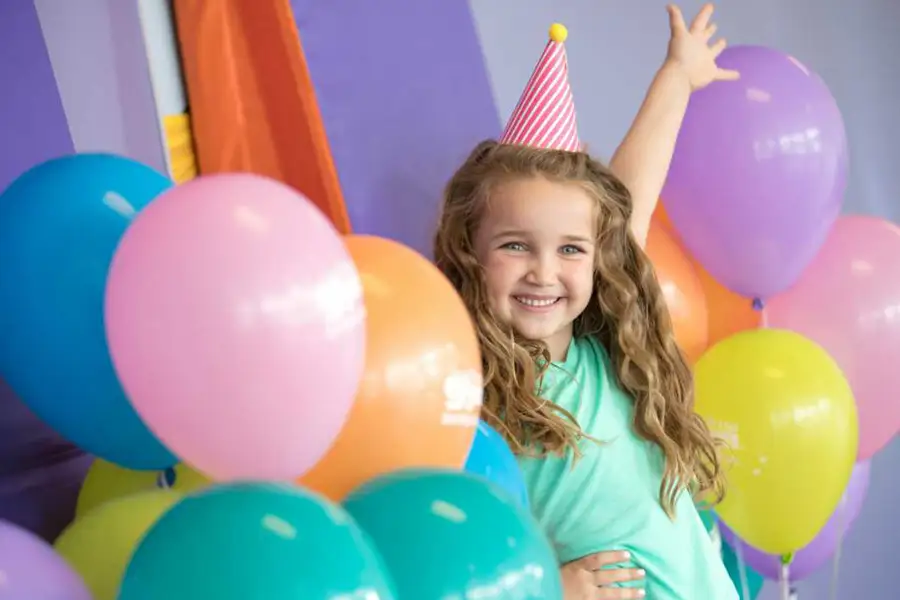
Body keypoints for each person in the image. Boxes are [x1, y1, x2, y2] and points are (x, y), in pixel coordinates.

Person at [433, 4, 741, 599]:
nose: (544, 273)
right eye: (516, 245)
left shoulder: (607, 354)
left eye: (571, 249)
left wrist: (677, 75)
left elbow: (631, 197)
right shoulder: (469, 393)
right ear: (470, 249)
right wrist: (548, 588)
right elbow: (455, 558)